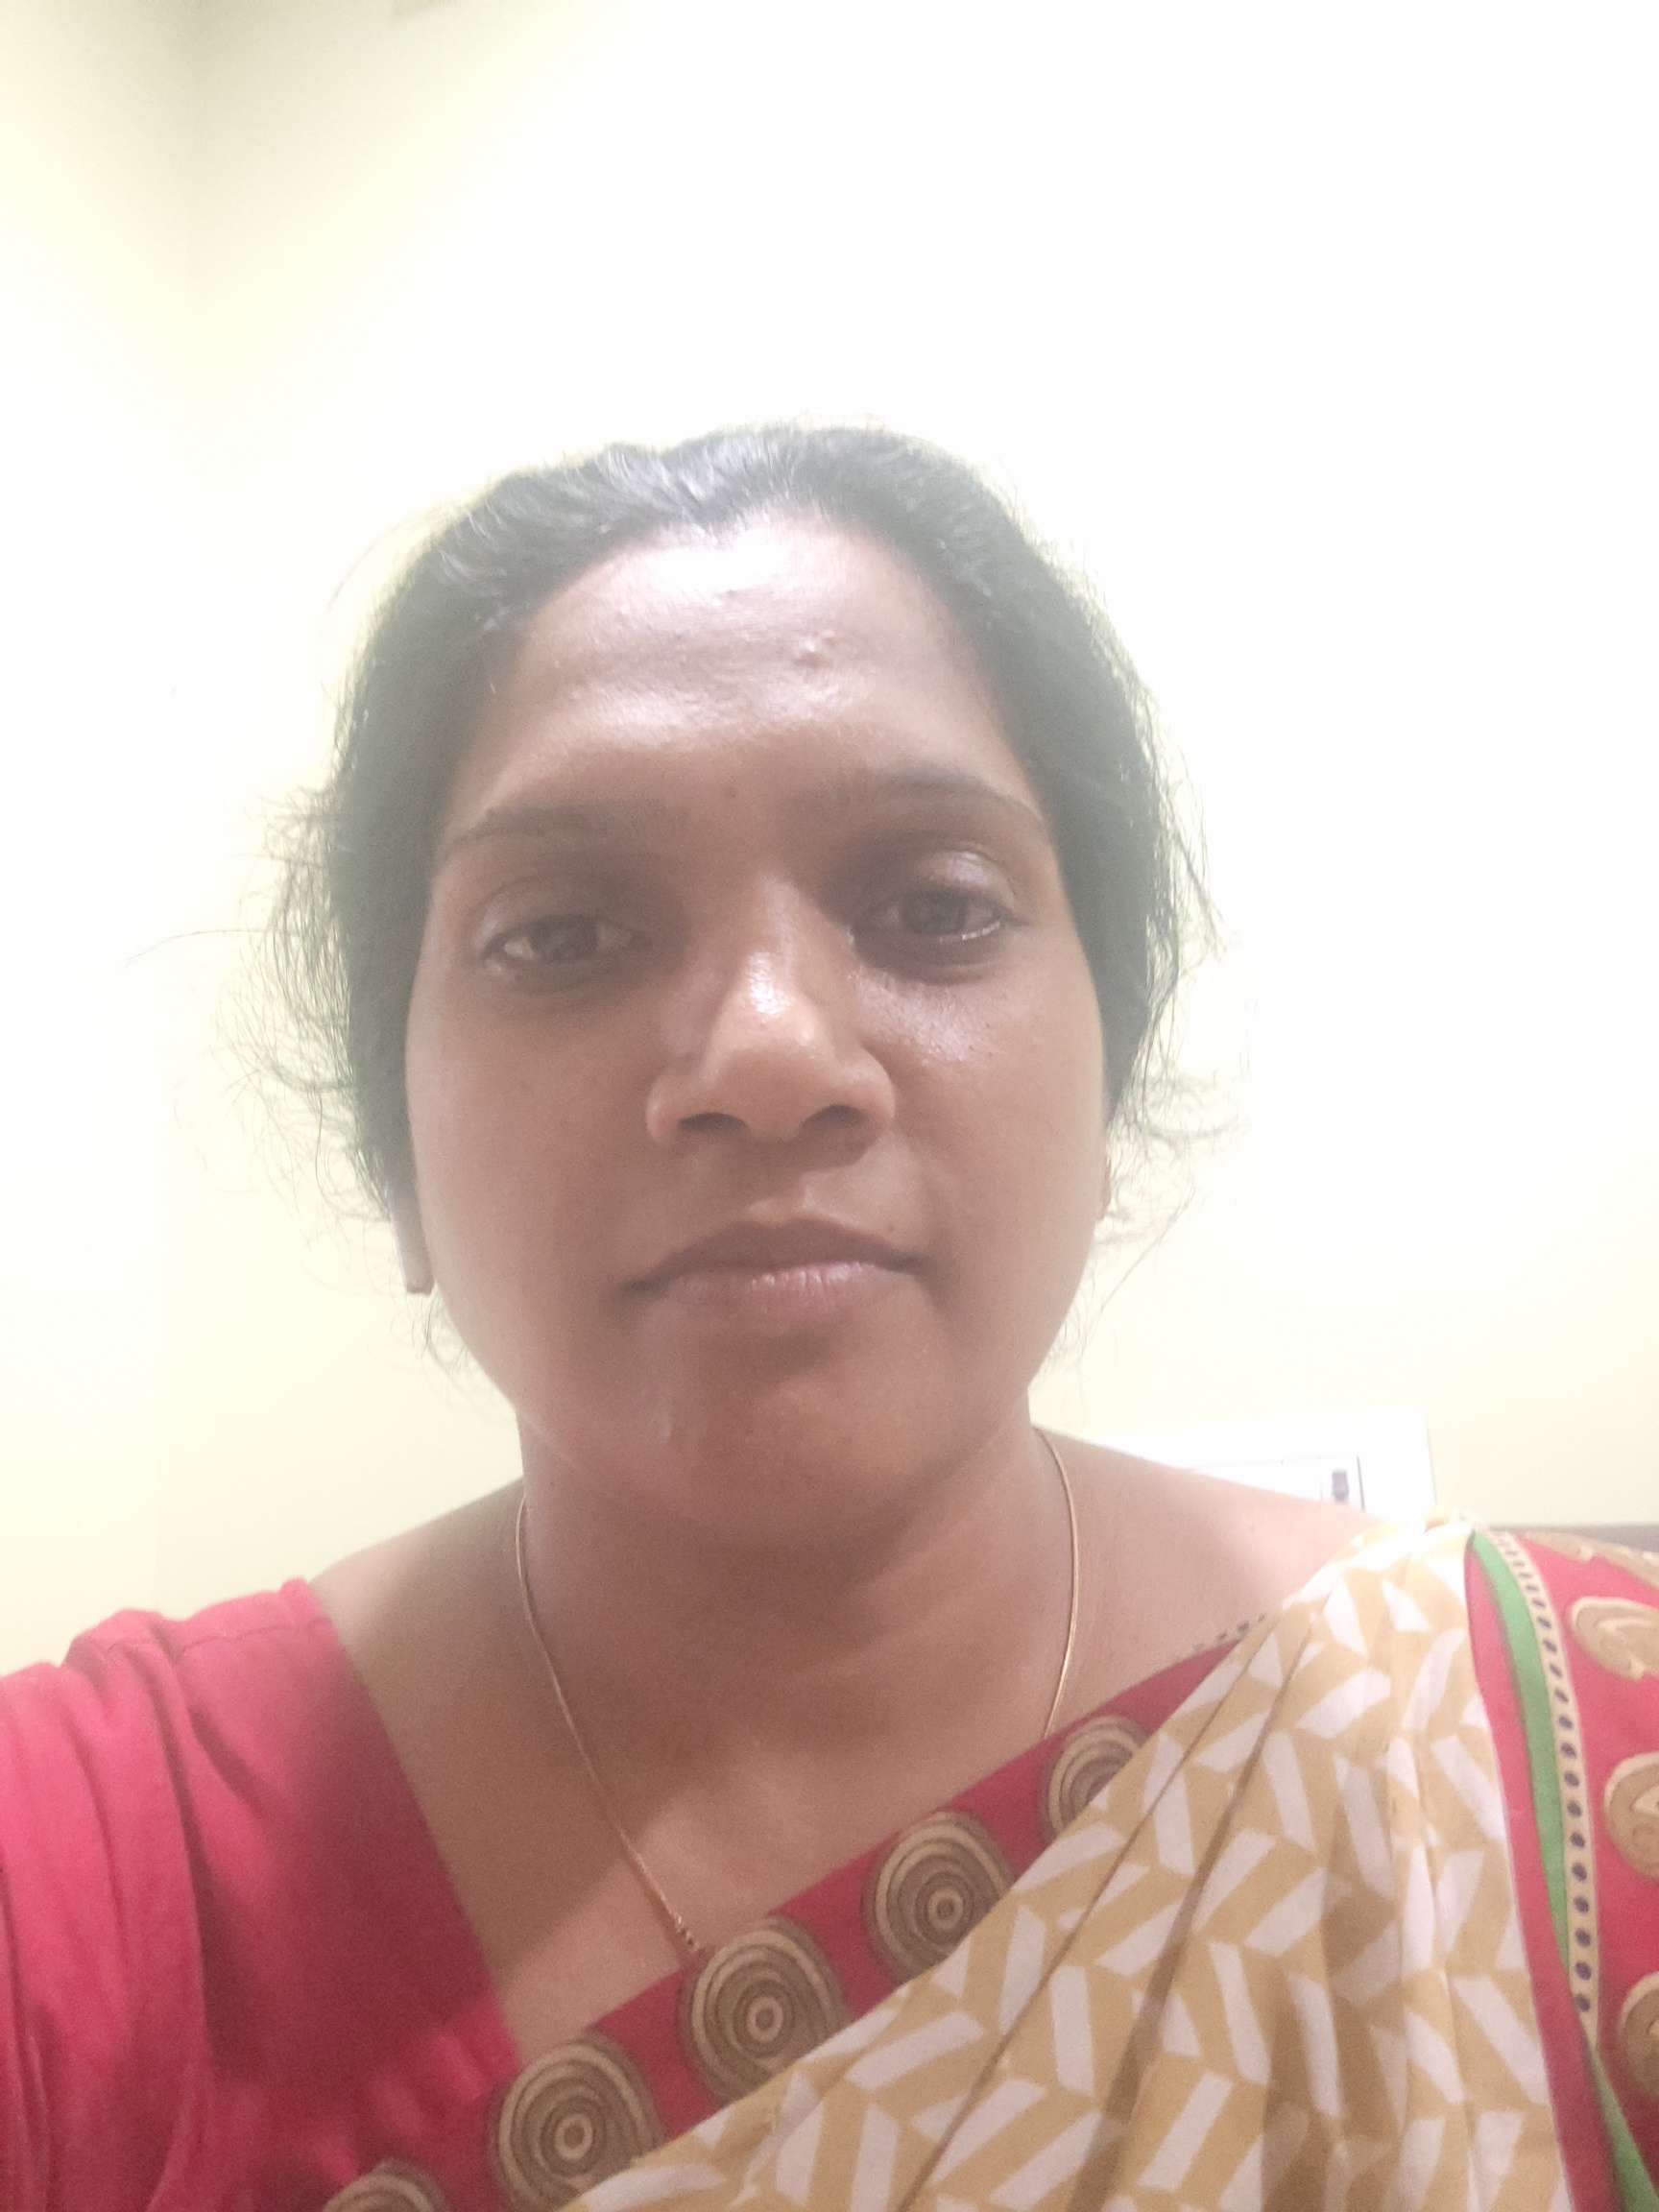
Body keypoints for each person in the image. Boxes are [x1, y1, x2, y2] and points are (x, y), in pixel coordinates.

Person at [1, 425, 1653, 2212]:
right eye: (562, 935)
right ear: (396, 1149)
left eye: (934, 907)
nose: (771, 1055)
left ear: (1102, 1086)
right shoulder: (85, 1879)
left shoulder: (1569, 1764)